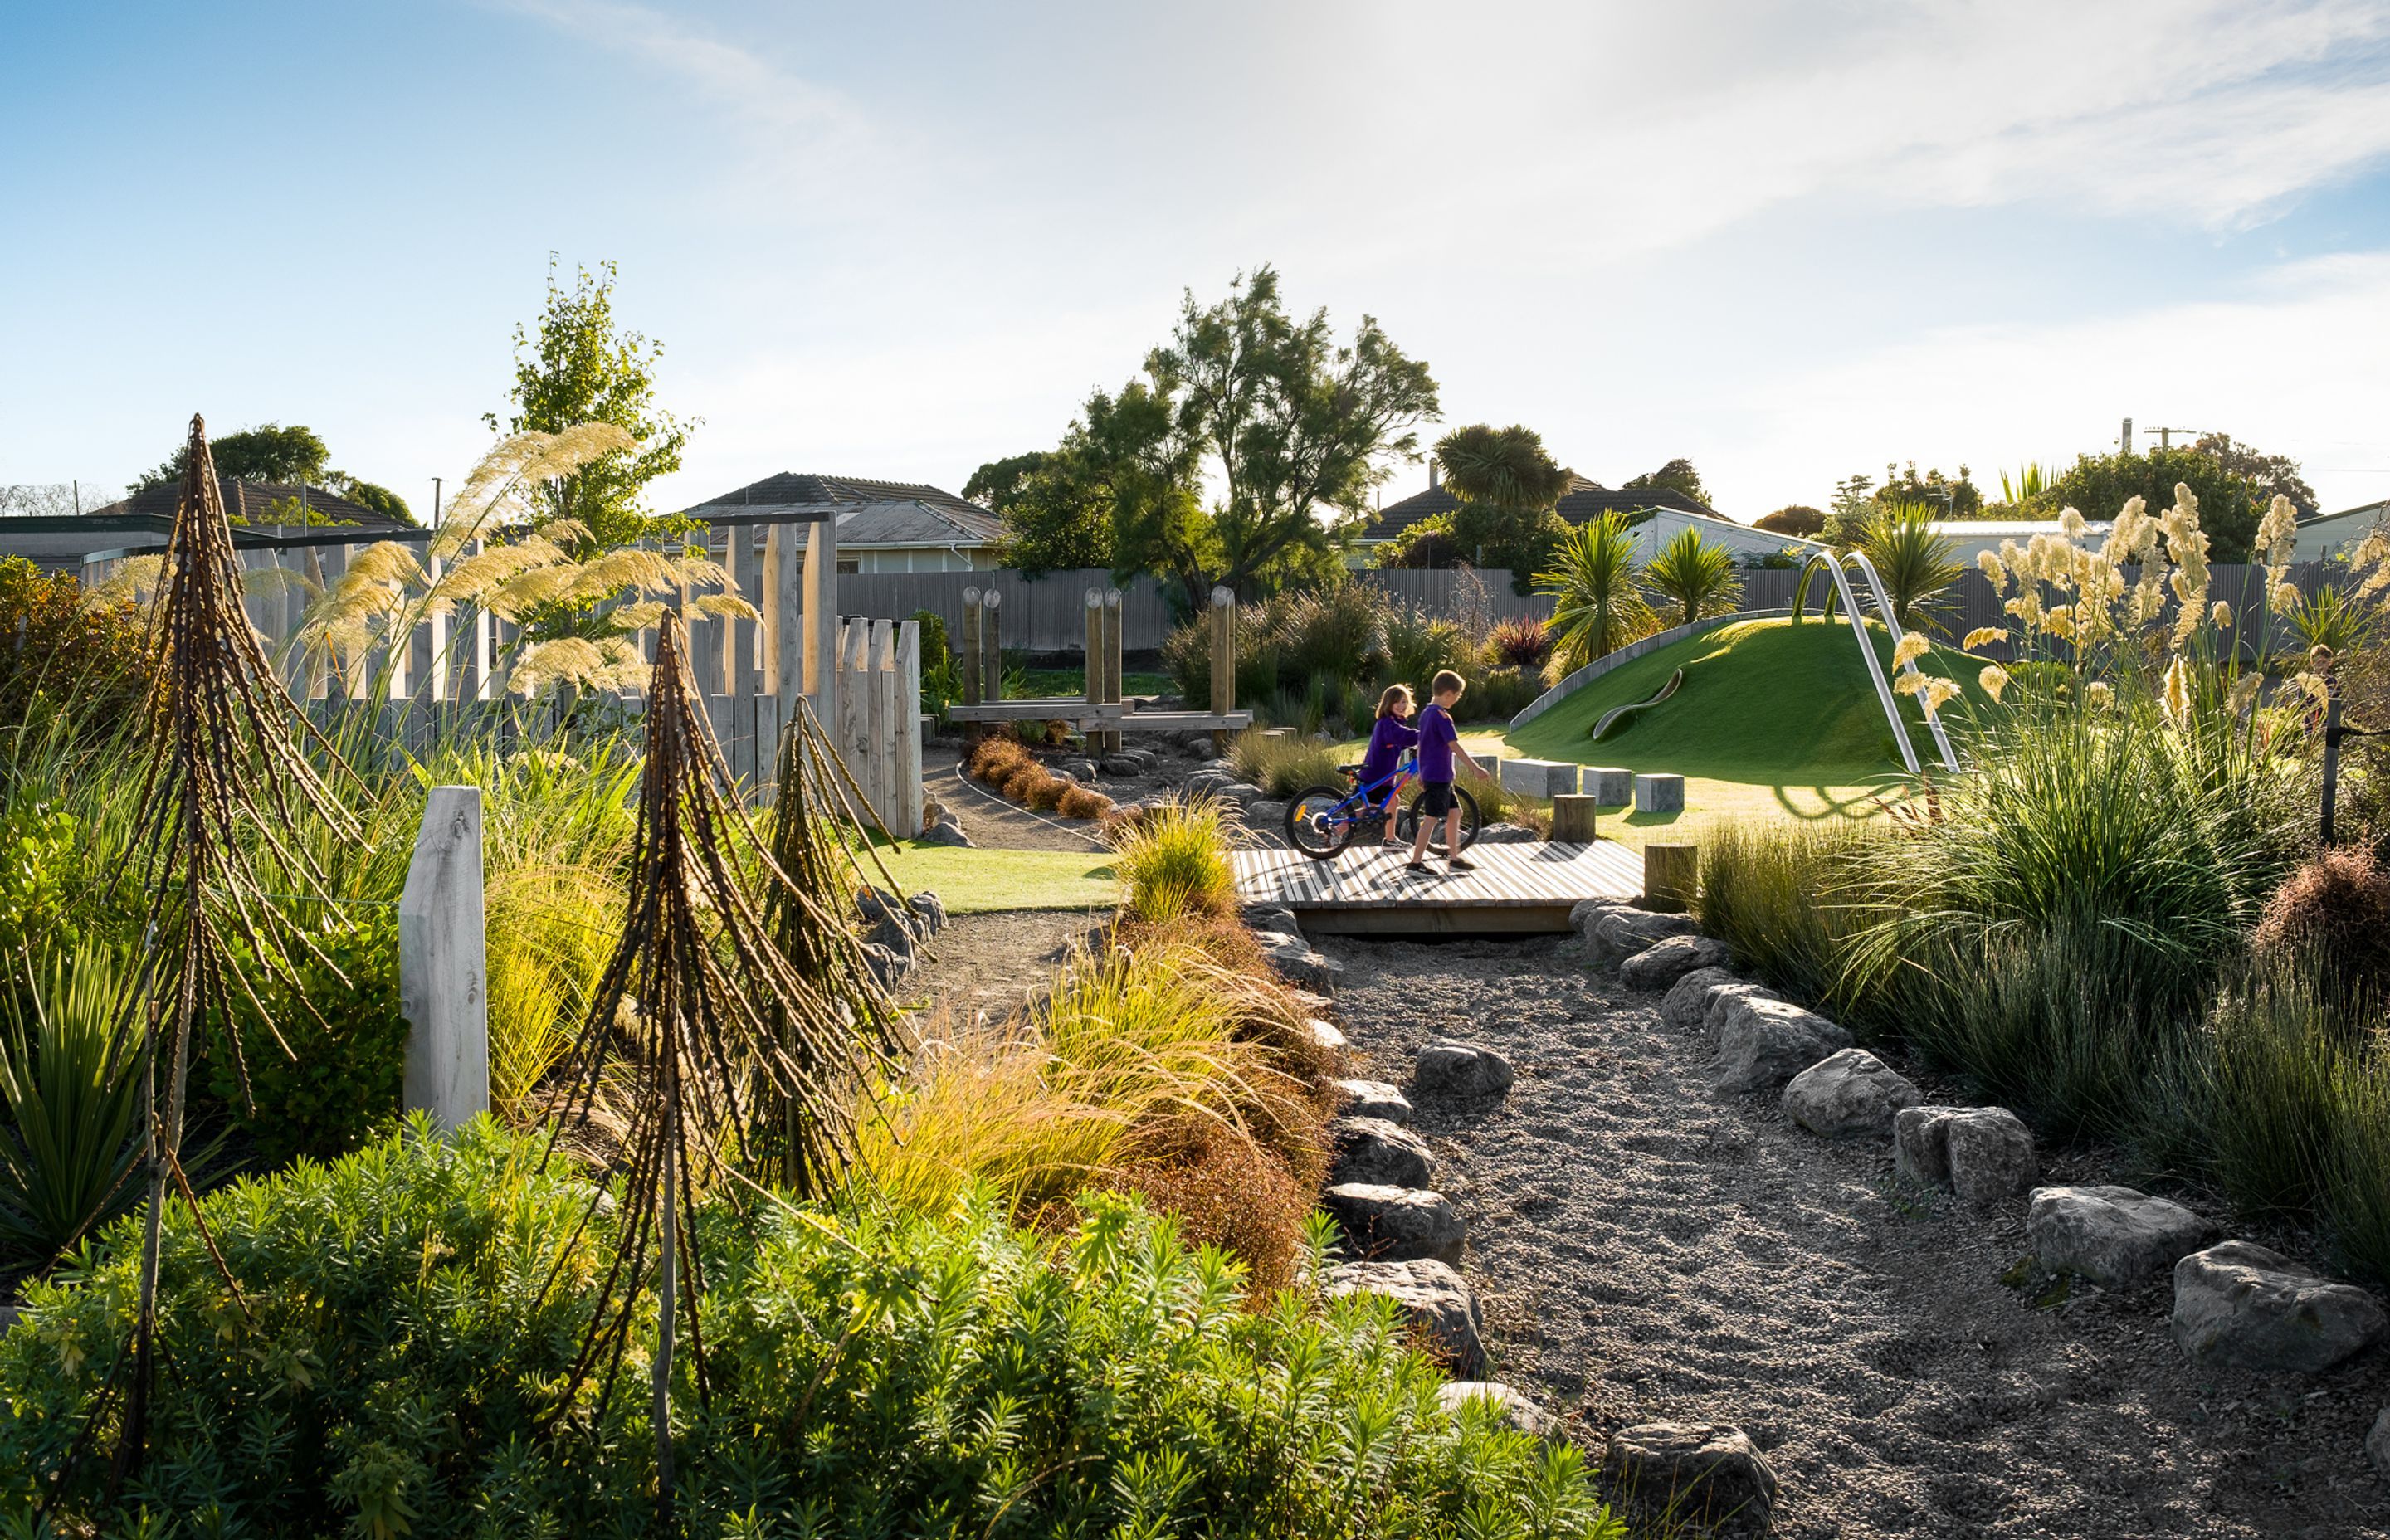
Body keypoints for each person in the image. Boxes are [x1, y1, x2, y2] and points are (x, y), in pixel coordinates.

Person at [1407, 669, 1491, 873]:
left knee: (1455, 813)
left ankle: (1454, 859)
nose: (1457, 699)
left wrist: (1421, 772)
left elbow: (1422, 745)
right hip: (1439, 776)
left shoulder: (1426, 714)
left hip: (1436, 775)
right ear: (1447, 694)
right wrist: (1475, 768)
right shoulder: (1442, 717)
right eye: (1457, 695)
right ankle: (1415, 863)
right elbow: (1454, 745)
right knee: (1431, 819)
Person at [1357, 684, 1420, 849]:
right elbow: (1403, 735)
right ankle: (1337, 829)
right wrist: (1425, 735)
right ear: (1388, 704)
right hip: (1376, 776)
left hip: (1380, 776)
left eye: (1405, 702)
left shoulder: (1392, 722)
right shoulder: (1387, 724)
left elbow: (1400, 741)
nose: (1402, 705)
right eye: (1397, 702)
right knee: (1375, 808)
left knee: (1388, 803)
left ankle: (1390, 840)